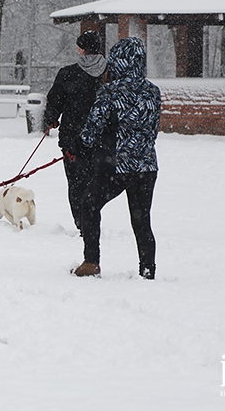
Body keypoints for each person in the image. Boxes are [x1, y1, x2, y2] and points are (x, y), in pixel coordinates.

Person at [72, 36, 161, 280]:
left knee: (89, 205)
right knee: (141, 221)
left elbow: (93, 128)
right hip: (146, 166)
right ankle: (147, 269)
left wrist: (78, 147)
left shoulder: (109, 92)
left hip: (115, 167)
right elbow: (153, 129)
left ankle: (91, 262)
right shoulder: (153, 92)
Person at [43, 30, 107, 230]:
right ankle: (92, 218)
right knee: (96, 183)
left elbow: (55, 100)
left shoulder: (68, 73)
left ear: (81, 49)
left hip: (73, 138)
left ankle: (82, 222)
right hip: (102, 138)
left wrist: (51, 119)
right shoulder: (110, 73)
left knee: (77, 183)